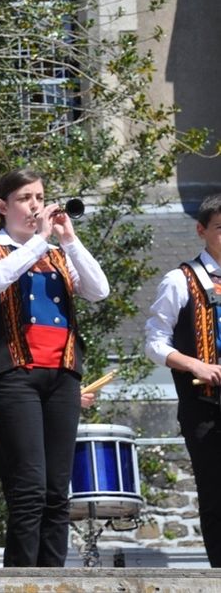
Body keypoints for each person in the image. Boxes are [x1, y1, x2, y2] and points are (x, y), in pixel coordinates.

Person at [0, 168, 109, 567]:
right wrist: (41, 240)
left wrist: (69, 239)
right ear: (2, 206)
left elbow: (99, 290)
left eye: (39, 196)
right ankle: (20, 580)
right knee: (28, 486)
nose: (35, 205)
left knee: (56, 491)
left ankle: (54, 578)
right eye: (25, 198)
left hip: (61, 376)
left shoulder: (58, 253)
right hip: (14, 376)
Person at [145, 193, 221, 567]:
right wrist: (196, 365)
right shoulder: (180, 279)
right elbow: (154, 344)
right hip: (205, 404)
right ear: (202, 230)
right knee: (215, 491)